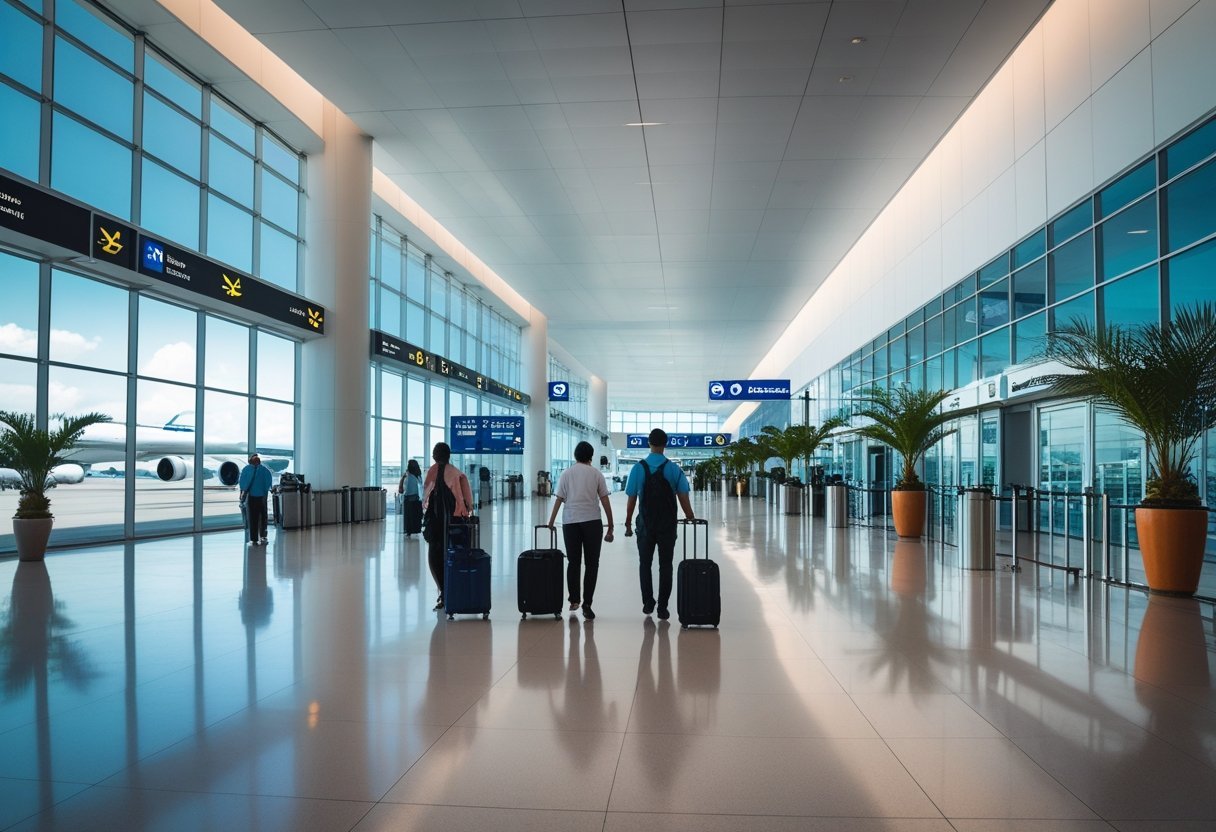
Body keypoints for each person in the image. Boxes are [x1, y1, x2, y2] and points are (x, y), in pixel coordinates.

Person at [623, 428, 695, 620]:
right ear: (665, 444)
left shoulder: (638, 468)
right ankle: (663, 607)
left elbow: (631, 500)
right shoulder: (674, 469)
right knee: (666, 565)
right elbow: (683, 497)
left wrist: (628, 524)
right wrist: (690, 516)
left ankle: (648, 602)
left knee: (644, 564)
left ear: (649, 443)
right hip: (667, 526)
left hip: (645, 526)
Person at [546, 440, 614, 620]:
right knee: (592, 564)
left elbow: (559, 499)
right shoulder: (596, 474)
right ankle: (588, 604)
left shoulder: (566, 474)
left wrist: (551, 522)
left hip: (571, 522)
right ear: (591, 456)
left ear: (575, 455)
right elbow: (605, 500)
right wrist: (611, 525)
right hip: (592, 522)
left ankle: (574, 599)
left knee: (573, 562)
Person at [421, 441, 474, 611]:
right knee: (446, 557)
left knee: (437, 558)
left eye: (435, 452)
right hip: (450, 525)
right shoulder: (453, 474)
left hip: (444, 525)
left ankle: (445, 592)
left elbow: (428, 496)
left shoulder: (447, 474)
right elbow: (468, 503)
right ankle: (447, 592)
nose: (433, 455)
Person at [238, 452, 273, 546]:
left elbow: (243, 483)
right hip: (262, 497)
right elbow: (269, 482)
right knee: (263, 517)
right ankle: (263, 536)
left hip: (252, 496)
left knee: (252, 518)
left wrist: (243, 492)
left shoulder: (247, 469)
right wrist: (264, 491)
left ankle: (254, 539)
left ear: (250, 461)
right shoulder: (265, 470)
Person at [397, 459, 423, 537]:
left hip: (408, 499)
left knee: (408, 517)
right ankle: (415, 529)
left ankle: (408, 531)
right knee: (415, 516)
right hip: (417, 499)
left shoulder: (409, 476)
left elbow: (406, 489)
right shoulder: (418, 476)